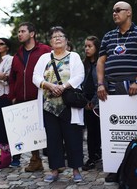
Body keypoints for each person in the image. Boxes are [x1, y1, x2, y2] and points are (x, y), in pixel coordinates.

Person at [96, 1, 137, 183]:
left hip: (134, 86)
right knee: (115, 129)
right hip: (111, 87)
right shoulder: (108, 36)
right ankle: (115, 168)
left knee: (134, 128)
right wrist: (100, 84)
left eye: (118, 10)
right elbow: (101, 62)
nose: (114, 13)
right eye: (113, 11)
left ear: (129, 13)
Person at [33, 26, 84, 183]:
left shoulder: (74, 56)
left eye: (61, 36)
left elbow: (80, 75)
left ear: (66, 40)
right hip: (49, 106)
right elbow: (35, 76)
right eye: (54, 36)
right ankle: (54, 170)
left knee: (73, 138)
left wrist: (63, 86)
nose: (57, 38)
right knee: (53, 139)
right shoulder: (44, 58)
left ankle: (76, 170)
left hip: (68, 105)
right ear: (50, 41)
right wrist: (49, 86)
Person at [8, 22, 51, 170]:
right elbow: (12, 78)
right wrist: (13, 96)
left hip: (41, 97)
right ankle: (35, 159)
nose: (19, 34)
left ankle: (54, 161)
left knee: (47, 129)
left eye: (23, 31)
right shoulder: (17, 55)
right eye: (18, 32)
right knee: (30, 131)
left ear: (32, 34)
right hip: (22, 99)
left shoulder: (45, 50)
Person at [81, 36, 102, 171]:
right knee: (90, 130)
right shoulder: (84, 64)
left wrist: (94, 102)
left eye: (90, 46)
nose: (87, 49)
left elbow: (100, 84)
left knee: (97, 130)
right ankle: (91, 157)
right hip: (85, 101)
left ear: (96, 48)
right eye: (86, 46)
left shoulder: (100, 63)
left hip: (98, 102)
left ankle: (97, 153)